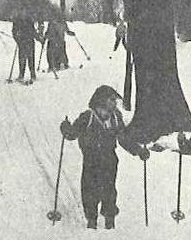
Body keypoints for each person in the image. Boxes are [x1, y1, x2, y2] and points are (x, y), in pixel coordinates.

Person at [60, 85, 149, 229]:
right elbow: (73, 133)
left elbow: (123, 138)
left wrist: (138, 151)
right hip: (91, 160)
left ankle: (109, 220)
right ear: (101, 100)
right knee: (90, 189)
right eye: (111, 100)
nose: (114, 103)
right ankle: (91, 220)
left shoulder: (115, 117)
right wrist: (66, 129)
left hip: (109, 159)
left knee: (109, 189)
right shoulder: (88, 117)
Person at [11, 12, 41, 84]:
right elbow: (14, 32)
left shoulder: (29, 20)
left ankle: (32, 74)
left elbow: (33, 31)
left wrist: (38, 38)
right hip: (22, 42)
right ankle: (21, 75)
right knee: (22, 59)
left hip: (29, 41)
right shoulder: (17, 21)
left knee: (30, 59)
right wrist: (17, 40)